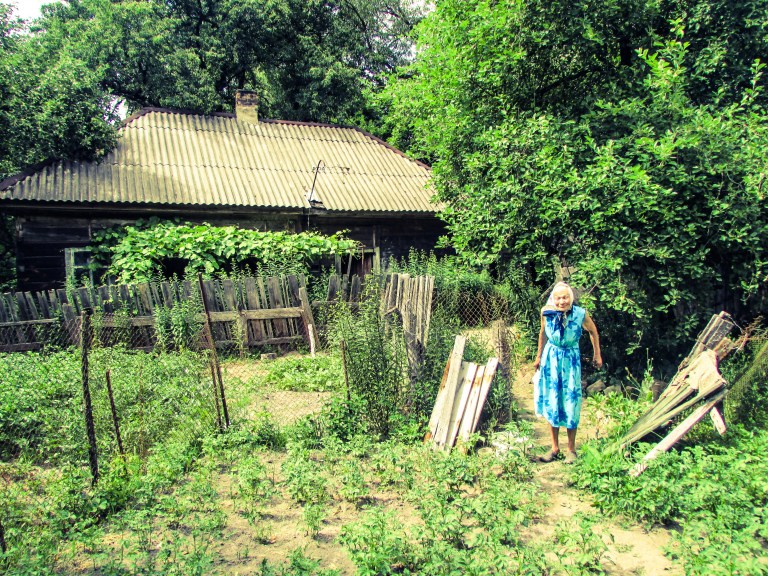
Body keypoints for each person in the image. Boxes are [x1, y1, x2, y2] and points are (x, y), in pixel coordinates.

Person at [533, 281, 602, 463]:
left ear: (570, 298)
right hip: (551, 359)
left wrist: (597, 355)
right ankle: (554, 448)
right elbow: (543, 333)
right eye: (558, 298)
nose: (561, 301)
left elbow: (593, 331)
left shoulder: (580, 314)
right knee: (552, 400)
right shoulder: (546, 313)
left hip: (570, 360)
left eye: (565, 297)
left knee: (571, 401)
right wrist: (539, 356)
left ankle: (571, 450)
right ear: (553, 299)